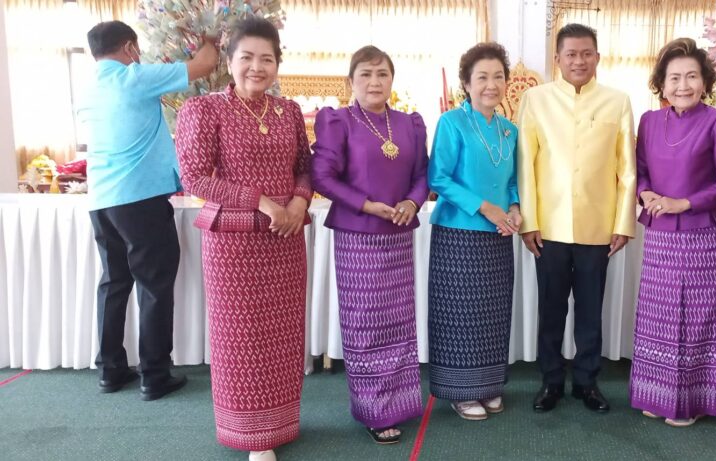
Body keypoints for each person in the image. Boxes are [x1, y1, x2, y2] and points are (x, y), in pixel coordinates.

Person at [175, 18, 310, 461]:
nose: (257, 67)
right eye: (247, 57)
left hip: (285, 241)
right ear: (230, 62)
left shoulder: (288, 111)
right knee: (244, 341)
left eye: (266, 59)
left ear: (277, 65)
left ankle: (281, 423)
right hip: (234, 249)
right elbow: (195, 177)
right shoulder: (205, 110)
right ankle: (253, 438)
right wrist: (262, 202)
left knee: (282, 340)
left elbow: (304, 169)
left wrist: (298, 203)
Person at [79, 20, 216, 401]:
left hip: (100, 201)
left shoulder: (88, 89)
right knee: (154, 286)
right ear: (129, 48)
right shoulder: (135, 77)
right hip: (139, 199)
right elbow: (205, 64)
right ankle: (154, 375)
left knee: (114, 283)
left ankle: (110, 370)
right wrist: (210, 35)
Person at [517, 23, 636, 414]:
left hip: (597, 227)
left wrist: (622, 224)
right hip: (548, 228)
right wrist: (529, 222)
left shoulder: (617, 101)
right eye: (571, 54)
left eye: (586, 54)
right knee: (551, 310)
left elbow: (627, 169)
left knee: (590, 312)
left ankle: (587, 382)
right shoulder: (535, 99)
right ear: (558, 59)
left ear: (598, 57)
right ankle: (550, 381)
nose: (579, 61)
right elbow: (525, 165)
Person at [311, 45, 427, 445]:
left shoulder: (409, 123)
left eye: (382, 74)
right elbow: (322, 177)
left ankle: (399, 403)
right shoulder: (338, 121)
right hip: (357, 236)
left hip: (398, 234)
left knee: (398, 323)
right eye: (365, 74)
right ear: (351, 81)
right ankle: (374, 410)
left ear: (392, 80)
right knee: (366, 324)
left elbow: (423, 174)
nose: (375, 82)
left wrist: (412, 202)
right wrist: (366, 205)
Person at [629, 37, 716, 427]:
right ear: (661, 83)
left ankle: (693, 400)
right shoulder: (649, 121)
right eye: (674, 77)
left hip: (702, 232)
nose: (683, 85)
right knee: (659, 313)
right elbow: (641, 169)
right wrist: (645, 192)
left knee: (696, 314)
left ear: (705, 81)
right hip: (660, 232)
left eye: (691, 76)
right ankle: (656, 394)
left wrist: (685, 202)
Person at [427, 42, 520, 421]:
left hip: (498, 234)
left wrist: (514, 208)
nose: (491, 85)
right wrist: (485, 207)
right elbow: (438, 178)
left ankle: (489, 384)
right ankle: (462, 391)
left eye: (498, 77)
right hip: (458, 233)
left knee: (493, 313)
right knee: (461, 314)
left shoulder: (510, 130)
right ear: (466, 83)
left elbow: (513, 180)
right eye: (482, 77)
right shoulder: (452, 123)